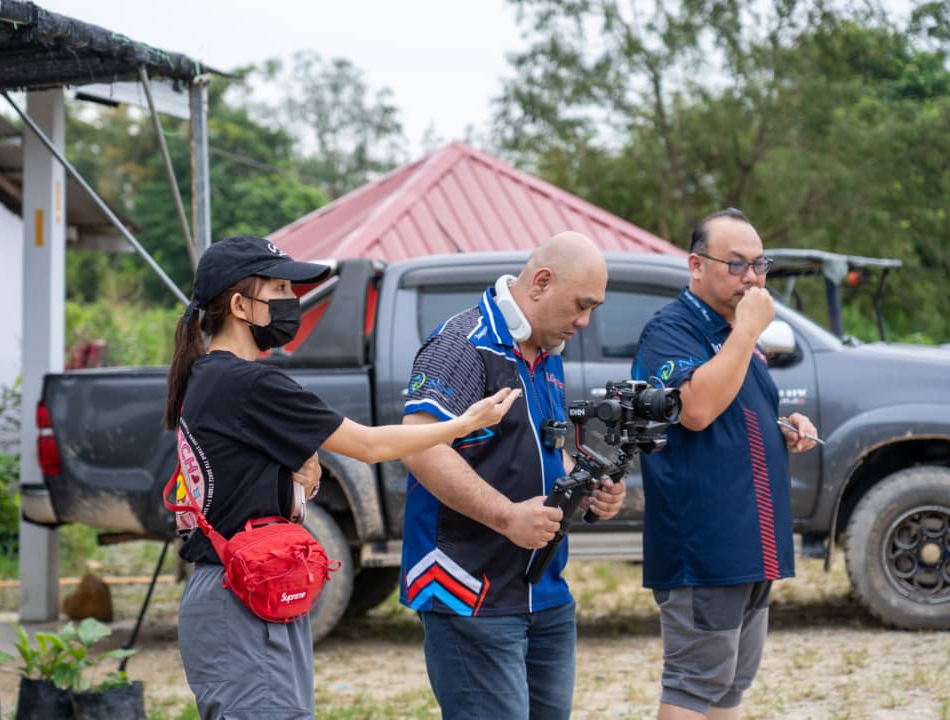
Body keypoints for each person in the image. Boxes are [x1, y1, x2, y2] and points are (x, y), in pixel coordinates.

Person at [164, 235, 522, 720]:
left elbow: (270, 470)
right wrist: (463, 424)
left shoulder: (210, 376)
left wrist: (300, 468)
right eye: (281, 290)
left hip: (243, 589)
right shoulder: (249, 383)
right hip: (239, 599)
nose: (293, 303)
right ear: (239, 304)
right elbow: (370, 445)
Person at [399, 231, 627, 720]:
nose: (585, 322)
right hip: (470, 595)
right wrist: (506, 516)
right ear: (541, 282)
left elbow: (544, 452)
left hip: (544, 593)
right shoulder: (461, 343)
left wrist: (589, 490)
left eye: (594, 309)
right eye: (580, 306)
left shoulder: (546, 355)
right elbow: (419, 447)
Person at [631, 208, 820, 720]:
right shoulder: (672, 330)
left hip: (751, 539)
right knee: (695, 683)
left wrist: (782, 429)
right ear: (695, 265)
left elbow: (729, 414)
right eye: (736, 265)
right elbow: (694, 410)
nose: (753, 278)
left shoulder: (735, 334)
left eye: (760, 265)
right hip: (704, 544)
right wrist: (747, 332)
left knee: (731, 685)